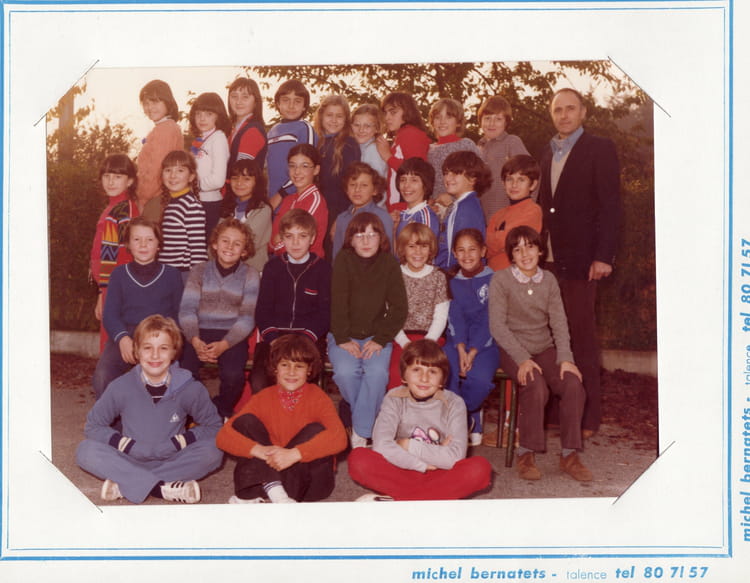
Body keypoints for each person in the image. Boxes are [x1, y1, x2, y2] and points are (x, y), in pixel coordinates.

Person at [537, 88, 621, 435]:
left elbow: (611, 206)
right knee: (553, 337)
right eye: (558, 110)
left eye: (570, 109)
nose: (564, 115)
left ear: (583, 112)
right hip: (548, 260)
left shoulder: (599, 148)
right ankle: (558, 414)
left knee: (581, 337)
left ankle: (588, 417)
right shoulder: (547, 152)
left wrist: (603, 256)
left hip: (583, 260)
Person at [76, 315, 224, 504]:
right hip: (129, 457)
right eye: (147, 348)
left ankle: (128, 484)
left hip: (173, 458)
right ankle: (162, 488)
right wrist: (127, 445)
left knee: (214, 450)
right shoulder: (120, 386)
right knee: (85, 450)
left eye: (163, 348)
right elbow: (93, 426)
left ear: (174, 352)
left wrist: (179, 442)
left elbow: (214, 427)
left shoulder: (190, 388)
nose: (155, 355)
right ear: (137, 351)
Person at [488, 226, 591, 481]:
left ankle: (569, 455)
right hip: (512, 349)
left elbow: (559, 322)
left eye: (530, 247)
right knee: (535, 385)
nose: (525, 254)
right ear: (511, 255)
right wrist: (523, 359)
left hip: (544, 347)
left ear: (540, 250)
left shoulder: (549, 280)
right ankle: (526, 453)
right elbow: (497, 327)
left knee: (573, 384)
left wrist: (565, 359)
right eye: (517, 249)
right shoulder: (501, 280)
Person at [347, 339, 492, 501]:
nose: (424, 378)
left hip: (439, 472)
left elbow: (455, 457)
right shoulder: (394, 397)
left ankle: (400, 499)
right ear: (404, 375)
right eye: (416, 370)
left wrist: (407, 445)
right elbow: (381, 446)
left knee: (480, 468)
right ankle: (433, 498)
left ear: (443, 379)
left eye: (433, 372)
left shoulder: (454, 403)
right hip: (401, 467)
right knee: (358, 458)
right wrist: (421, 464)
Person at [216, 334, 347, 503]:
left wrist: (294, 454)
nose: (291, 372)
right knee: (245, 422)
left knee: (315, 430)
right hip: (274, 475)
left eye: (299, 366)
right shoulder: (263, 397)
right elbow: (223, 436)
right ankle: (274, 491)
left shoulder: (318, 397)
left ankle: (265, 493)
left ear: (309, 370)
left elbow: (339, 438)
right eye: (285, 365)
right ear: (275, 368)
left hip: (311, 484)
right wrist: (259, 450)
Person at [328, 212, 408, 448]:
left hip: (376, 335)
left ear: (381, 238)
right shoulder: (343, 259)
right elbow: (337, 302)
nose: (366, 240)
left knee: (377, 374)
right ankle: (371, 423)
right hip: (343, 334)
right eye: (359, 235)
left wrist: (381, 339)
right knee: (345, 372)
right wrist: (343, 338)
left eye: (372, 235)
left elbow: (399, 308)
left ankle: (360, 432)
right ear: (350, 240)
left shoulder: (389, 263)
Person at [92, 217, 183, 399]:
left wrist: (166, 342)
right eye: (136, 239)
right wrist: (123, 339)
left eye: (149, 239)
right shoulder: (119, 274)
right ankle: (112, 416)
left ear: (158, 244)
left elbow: (179, 314)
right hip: (127, 332)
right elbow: (110, 315)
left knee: (178, 381)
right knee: (102, 376)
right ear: (128, 244)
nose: (143, 244)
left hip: (160, 334)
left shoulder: (172, 275)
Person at [179, 218, 260, 419]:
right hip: (198, 332)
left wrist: (224, 345)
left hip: (232, 336)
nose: (230, 247)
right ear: (215, 244)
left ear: (244, 251)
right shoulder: (199, 271)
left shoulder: (250, 275)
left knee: (234, 376)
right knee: (184, 372)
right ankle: (197, 410)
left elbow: (247, 318)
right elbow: (187, 310)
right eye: (225, 241)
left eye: (237, 243)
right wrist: (195, 341)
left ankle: (219, 411)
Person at [252, 209, 331, 394]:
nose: (295, 243)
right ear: (282, 238)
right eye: (289, 236)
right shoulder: (272, 267)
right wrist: (273, 339)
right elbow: (262, 310)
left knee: (304, 385)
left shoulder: (323, 269)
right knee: (259, 382)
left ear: (312, 239)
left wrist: (305, 340)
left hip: (308, 338)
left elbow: (325, 313)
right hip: (275, 337)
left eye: (302, 236)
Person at [444, 228, 499, 446]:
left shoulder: (495, 279)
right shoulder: (451, 282)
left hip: (485, 344)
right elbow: (454, 317)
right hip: (456, 342)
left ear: (483, 251)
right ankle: (461, 426)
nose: (466, 255)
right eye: (461, 250)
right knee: (447, 375)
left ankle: (469, 414)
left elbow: (490, 319)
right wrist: (460, 348)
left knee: (480, 381)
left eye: (472, 249)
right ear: (454, 254)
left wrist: (473, 350)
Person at [387, 224, 449, 390]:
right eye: (412, 246)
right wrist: (404, 342)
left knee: (430, 373)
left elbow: (441, 316)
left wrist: (428, 342)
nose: (418, 252)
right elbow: (390, 314)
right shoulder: (394, 275)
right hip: (401, 338)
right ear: (402, 249)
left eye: (423, 246)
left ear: (431, 249)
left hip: (431, 339)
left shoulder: (438, 276)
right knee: (396, 373)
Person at [89, 154, 139, 348]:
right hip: (108, 287)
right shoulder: (113, 207)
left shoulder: (124, 210)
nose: (111, 182)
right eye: (107, 176)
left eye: (118, 177)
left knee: (113, 346)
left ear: (130, 181)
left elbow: (123, 255)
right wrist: (101, 291)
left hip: (117, 289)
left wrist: (107, 293)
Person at [155, 150, 209, 279]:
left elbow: (198, 248)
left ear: (191, 176)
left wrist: (196, 281)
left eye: (180, 170)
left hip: (182, 274)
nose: (173, 176)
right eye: (168, 170)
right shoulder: (170, 202)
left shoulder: (191, 205)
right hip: (165, 270)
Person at [476, 95, 531, 221]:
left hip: (507, 214)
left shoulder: (511, 142)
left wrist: (527, 207)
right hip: (482, 215)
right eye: (487, 118)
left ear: (506, 122)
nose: (492, 123)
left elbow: (532, 173)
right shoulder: (478, 147)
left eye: (498, 119)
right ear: (480, 121)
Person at [266, 79, 318, 210]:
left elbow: (307, 169)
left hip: (293, 198)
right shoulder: (273, 130)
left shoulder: (304, 128)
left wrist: (281, 194)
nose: (291, 106)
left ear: (304, 106)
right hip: (270, 198)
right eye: (286, 100)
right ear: (278, 103)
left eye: (297, 101)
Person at [269, 143, 328, 259]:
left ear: (316, 170)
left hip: (308, 265)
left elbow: (295, 245)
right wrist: (274, 243)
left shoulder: (314, 201)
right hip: (284, 262)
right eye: (292, 166)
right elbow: (273, 237)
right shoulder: (288, 200)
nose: (297, 172)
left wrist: (277, 243)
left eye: (304, 166)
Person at [314, 94, 361, 237]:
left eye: (339, 116)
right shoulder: (318, 142)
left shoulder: (349, 145)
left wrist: (342, 218)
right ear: (321, 117)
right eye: (329, 115)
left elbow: (352, 184)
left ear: (346, 119)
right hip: (319, 208)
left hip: (339, 210)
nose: (334, 120)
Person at [435, 151, 491, 270]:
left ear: (472, 178)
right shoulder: (461, 205)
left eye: (455, 173)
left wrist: (448, 273)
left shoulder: (467, 210)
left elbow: (465, 254)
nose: (448, 178)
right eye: (446, 173)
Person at [486, 155, 542, 271]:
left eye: (521, 180)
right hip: (493, 274)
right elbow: (485, 247)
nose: (514, 185)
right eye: (509, 179)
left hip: (516, 276)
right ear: (503, 183)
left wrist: (495, 238)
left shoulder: (533, 210)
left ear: (532, 184)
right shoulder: (498, 215)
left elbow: (508, 239)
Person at [375, 92, 431, 210]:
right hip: (399, 205)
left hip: (405, 206)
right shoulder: (401, 134)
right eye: (385, 113)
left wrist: (388, 157)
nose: (387, 117)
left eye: (393, 112)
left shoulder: (411, 134)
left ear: (407, 112)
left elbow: (416, 172)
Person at [135, 80, 184, 213]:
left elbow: (156, 170)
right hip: (158, 196)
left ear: (167, 102)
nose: (150, 108)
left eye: (155, 102)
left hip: (154, 199)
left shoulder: (165, 130)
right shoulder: (165, 127)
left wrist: (142, 199)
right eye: (146, 103)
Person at [188, 92, 231, 242]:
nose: (202, 118)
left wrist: (192, 186)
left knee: (202, 248)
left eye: (208, 114)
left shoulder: (218, 138)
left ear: (218, 116)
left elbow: (218, 180)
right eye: (198, 114)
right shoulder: (200, 139)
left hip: (209, 204)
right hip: (197, 202)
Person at [220, 158, 272, 273]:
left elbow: (249, 245)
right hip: (224, 268)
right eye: (235, 178)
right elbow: (216, 240)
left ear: (256, 182)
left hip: (252, 271)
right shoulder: (227, 207)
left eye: (246, 179)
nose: (239, 183)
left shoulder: (263, 210)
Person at [331, 161, 392, 258]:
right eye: (352, 185)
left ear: (375, 190)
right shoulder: (341, 219)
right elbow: (337, 256)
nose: (357, 190)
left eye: (364, 185)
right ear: (346, 189)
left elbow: (388, 256)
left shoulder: (383, 217)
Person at [426, 98, 482, 204]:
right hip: (436, 209)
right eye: (438, 117)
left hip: (462, 205)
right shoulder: (429, 150)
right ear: (432, 122)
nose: (442, 121)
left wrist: (453, 198)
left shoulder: (466, 145)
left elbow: (480, 178)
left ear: (458, 123)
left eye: (448, 117)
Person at [392, 157, 439, 240]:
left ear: (426, 185)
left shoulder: (425, 217)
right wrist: (394, 230)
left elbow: (426, 248)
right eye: (403, 180)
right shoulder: (402, 215)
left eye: (414, 180)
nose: (406, 185)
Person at [226, 76, 267, 169]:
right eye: (234, 96)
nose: (238, 102)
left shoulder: (253, 131)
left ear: (256, 102)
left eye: (245, 97)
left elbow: (241, 172)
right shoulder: (233, 130)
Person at [351, 103, 387, 180]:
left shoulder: (372, 150)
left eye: (367, 126)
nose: (361, 130)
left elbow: (377, 181)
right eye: (357, 125)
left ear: (377, 128)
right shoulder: (360, 146)